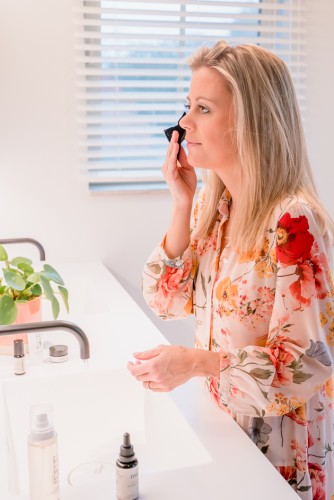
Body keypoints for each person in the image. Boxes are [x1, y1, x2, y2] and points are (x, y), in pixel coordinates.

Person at [127, 40, 334, 499]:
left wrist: (198, 363)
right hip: (223, 426)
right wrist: (182, 205)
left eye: (203, 108)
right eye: (187, 107)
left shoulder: (292, 221)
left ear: (250, 121)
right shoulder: (214, 206)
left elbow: (309, 363)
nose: (184, 123)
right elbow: (166, 299)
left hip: (277, 452)